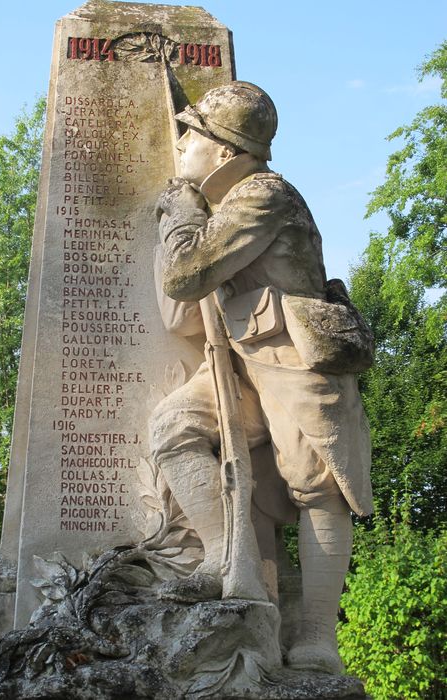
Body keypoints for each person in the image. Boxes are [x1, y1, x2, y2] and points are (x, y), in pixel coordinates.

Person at [149, 81, 373, 674]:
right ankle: (226, 561)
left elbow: (184, 277)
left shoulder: (261, 195)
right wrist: (186, 217)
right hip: (245, 364)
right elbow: (180, 308)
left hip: (297, 360)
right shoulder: (223, 205)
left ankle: (317, 638)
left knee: (318, 489)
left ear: (224, 151)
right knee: (174, 426)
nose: (180, 147)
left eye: (190, 135)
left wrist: (180, 220)